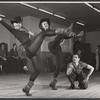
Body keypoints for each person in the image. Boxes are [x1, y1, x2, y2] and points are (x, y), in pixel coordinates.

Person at [0, 16, 79, 96]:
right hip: (29, 47)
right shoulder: (14, 31)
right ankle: (65, 30)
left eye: (19, 23)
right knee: (44, 32)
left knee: (38, 69)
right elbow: (4, 24)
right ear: (13, 26)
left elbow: (30, 33)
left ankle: (27, 88)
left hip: (31, 52)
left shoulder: (23, 29)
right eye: (15, 24)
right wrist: (1, 19)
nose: (17, 25)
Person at [39, 18, 84, 90]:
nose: (46, 25)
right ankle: (74, 35)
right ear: (42, 26)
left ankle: (53, 82)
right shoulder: (43, 33)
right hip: (51, 46)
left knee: (59, 66)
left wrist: (61, 41)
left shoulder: (53, 31)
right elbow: (34, 34)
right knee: (60, 35)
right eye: (44, 24)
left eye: (47, 23)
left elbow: (58, 39)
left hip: (58, 47)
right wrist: (27, 31)